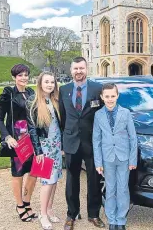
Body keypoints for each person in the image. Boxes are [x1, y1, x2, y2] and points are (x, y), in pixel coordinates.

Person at [59, 57, 105, 230]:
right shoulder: (64, 90)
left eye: (81, 68)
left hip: (92, 141)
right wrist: (64, 141)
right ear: (71, 70)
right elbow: (62, 117)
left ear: (87, 69)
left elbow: (102, 115)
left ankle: (93, 214)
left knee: (94, 179)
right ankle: (72, 214)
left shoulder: (97, 89)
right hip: (71, 141)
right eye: (76, 68)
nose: (79, 71)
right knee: (72, 180)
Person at [0, 64, 37, 222]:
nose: (24, 78)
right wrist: (7, 137)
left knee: (34, 173)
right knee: (18, 174)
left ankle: (27, 203)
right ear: (14, 77)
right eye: (20, 75)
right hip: (17, 139)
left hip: (32, 136)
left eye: (26, 74)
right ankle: (19, 205)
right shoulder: (8, 93)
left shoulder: (31, 92)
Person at [93, 83, 138, 230]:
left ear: (117, 96)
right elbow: (96, 140)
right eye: (107, 96)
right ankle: (112, 219)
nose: (110, 99)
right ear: (102, 97)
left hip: (124, 157)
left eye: (113, 96)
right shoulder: (98, 115)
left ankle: (121, 220)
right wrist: (98, 162)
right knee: (110, 189)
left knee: (123, 189)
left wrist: (133, 159)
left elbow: (133, 138)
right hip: (107, 158)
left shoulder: (125, 113)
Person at [27, 71, 62, 230]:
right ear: (40, 84)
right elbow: (32, 130)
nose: (49, 85)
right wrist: (38, 151)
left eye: (52, 82)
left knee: (54, 181)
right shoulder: (34, 104)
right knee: (47, 182)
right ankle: (43, 214)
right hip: (44, 148)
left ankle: (49, 209)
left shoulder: (55, 101)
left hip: (56, 146)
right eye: (46, 82)